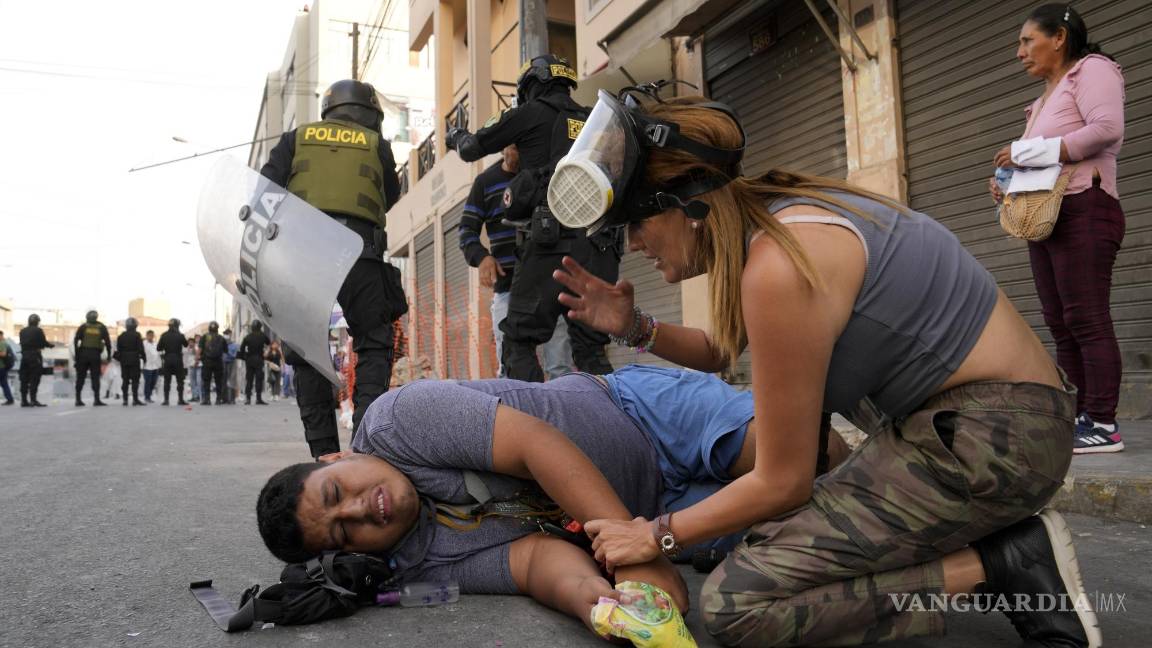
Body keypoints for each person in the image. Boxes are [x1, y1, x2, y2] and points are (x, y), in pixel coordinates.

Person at [548, 87, 1100, 647]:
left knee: (737, 603)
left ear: (686, 206)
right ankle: (990, 546)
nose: (633, 244)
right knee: (746, 539)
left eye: (635, 224)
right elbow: (724, 348)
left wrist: (657, 536)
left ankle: (1004, 564)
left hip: (994, 441)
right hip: (985, 429)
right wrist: (635, 326)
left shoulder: (778, 266)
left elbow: (782, 480)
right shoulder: (778, 219)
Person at [257, 366, 835, 640]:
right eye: (344, 534)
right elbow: (533, 563)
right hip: (663, 508)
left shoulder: (398, 421)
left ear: (334, 459)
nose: (360, 511)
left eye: (338, 494)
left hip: (640, 414)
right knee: (820, 516)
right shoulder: (416, 562)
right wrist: (599, 603)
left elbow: (536, 444)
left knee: (813, 453)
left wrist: (639, 559)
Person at [990, 4, 1126, 455]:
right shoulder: (1043, 98)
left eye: (1027, 41)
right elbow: (1046, 159)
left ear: (1059, 38)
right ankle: (1079, 415)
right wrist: (1009, 183)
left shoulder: (1092, 70)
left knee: (1087, 318)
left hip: (1086, 206)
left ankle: (1103, 423)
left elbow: (1106, 129)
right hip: (1050, 216)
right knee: (1060, 323)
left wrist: (1027, 154)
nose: (1019, 53)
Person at [446, 54, 618, 382]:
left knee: (518, 342)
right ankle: (612, 425)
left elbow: (470, 148)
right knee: (591, 350)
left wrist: (455, 137)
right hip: (599, 245)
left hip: (550, 244)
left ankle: (531, 424)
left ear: (531, 85)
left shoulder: (529, 114)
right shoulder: (592, 119)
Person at [259, 79, 407, 458]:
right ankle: (366, 445)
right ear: (371, 115)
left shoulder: (296, 137)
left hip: (305, 254)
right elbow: (389, 196)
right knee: (374, 345)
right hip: (361, 253)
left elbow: (264, 193)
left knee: (306, 351)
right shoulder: (378, 145)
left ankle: (324, 452)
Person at [459, 144, 574, 378]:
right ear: (503, 146)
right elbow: (466, 231)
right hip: (507, 289)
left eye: (522, 144)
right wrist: (482, 258)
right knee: (510, 369)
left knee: (560, 368)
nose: (515, 152)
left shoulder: (546, 175)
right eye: (511, 144)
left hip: (549, 287)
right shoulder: (485, 182)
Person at [73, 310, 111, 407]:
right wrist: (109, 355)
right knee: (95, 377)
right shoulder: (101, 327)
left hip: (83, 354)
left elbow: (76, 341)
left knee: (80, 377)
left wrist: (77, 356)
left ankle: (78, 399)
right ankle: (96, 399)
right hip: (95, 355)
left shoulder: (83, 326)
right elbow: (107, 342)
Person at [19, 313, 52, 407]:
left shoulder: (22, 331)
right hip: (34, 356)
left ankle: (24, 400)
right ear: (37, 322)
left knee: (24, 378)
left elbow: (22, 343)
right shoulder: (38, 330)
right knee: (35, 377)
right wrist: (50, 345)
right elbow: (43, 342)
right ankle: (33, 400)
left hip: (24, 356)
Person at [158, 318, 189, 406]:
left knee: (167, 380)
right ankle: (180, 399)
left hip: (167, 359)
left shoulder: (164, 335)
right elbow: (186, 344)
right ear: (177, 325)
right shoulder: (180, 335)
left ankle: (166, 400)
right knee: (180, 380)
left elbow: (158, 348)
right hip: (178, 359)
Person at [239, 320, 271, 405]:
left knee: (249, 379)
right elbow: (269, 342)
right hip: (259, 359)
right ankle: (258, 398)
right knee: (258, 379)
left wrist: (244, 357)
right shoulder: (262, 336)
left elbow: (241, 349)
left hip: (249, 360)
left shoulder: (247, 337)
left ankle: (248, 399)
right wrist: (265, 352)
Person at [116, 317, 146, 406]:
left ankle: (125, 400)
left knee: (125, 380)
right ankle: (135, 399)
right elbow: (141, 348)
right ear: (135, 326)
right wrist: (144, 358)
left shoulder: (121, 336)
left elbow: (118, 349)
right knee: (135, 380)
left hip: (124, 360)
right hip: (134, 359)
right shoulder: (137, 335)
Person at [199, 322, 227, 405]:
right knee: (218, 381)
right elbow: (226, 351)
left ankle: (207, 399)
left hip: (207, 362)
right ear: (217, 328)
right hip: (218, 362)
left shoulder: (205, 337)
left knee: (206, 381)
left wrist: (197, 358)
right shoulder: (221, 338)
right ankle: (218, 399)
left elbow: (200, 349)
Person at [142, 330, 161, 403]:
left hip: (155, 366)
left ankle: (149, 394)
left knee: (154, 381)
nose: (151, 337)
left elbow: (158, 353)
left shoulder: (155, 344)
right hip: (147, 366)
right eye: (149, 335)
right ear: (146, 336)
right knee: (148, 381)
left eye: (152, 335)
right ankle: (147, 397)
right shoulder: (143, 344)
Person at [0, 331, 15, 405]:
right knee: (4, 383)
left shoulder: (2, 343)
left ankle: (10, 399)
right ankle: (10, 399)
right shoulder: (4, 343)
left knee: (4, 383)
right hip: (3, 367)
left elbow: (3, 354)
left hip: (1, 367)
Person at [185, 334, 200, 403]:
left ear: (194, 342)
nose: (190, 343)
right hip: (191, 366)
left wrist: (196, 362)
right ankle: (194, 396)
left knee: (196, 381)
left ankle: (197, 396)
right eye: (189, 342)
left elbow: (197, 355)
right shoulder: (189, 348)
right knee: (192, 382)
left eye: (191, 342)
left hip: (195, 366)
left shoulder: (195, 347)